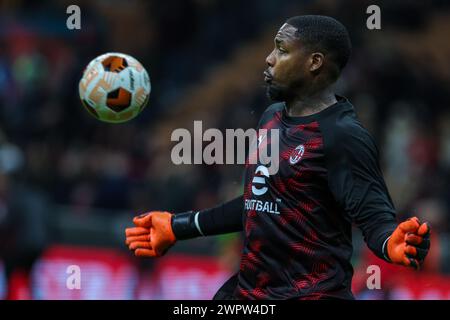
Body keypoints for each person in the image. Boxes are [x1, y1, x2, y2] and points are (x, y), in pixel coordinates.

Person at [125, 15, 431, 300]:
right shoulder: (272, 118)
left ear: (314, 63)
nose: (269, 59)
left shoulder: (342, 136)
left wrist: (391, 242)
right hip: (252, 293)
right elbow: (258, 201)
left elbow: (375, 218)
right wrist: (177, 226)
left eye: (282, 50)